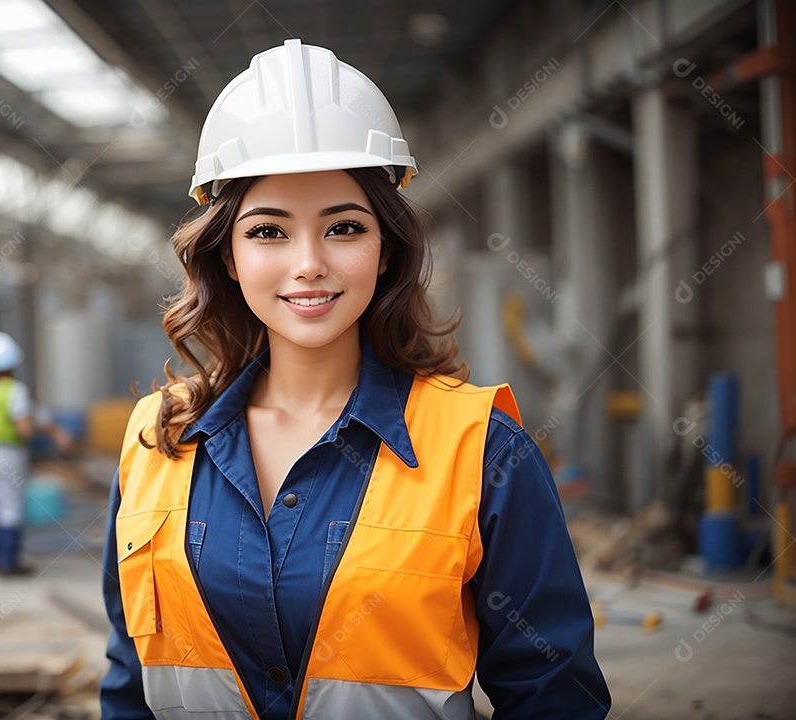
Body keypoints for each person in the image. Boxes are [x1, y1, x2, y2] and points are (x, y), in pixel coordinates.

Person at [101, 39, 611, 719]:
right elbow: (129, 682)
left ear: (385, 248)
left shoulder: (480, 449)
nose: (309, 263)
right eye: (269, 232)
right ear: (227, 256)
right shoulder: (157, 439)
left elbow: (553, 695)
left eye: (343, 228)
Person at [0, 331, 72, 575]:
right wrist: (38, 435)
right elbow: (25, 428)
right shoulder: (15, 390)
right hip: (8, 453)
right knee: (10, 506)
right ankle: (9, 562)